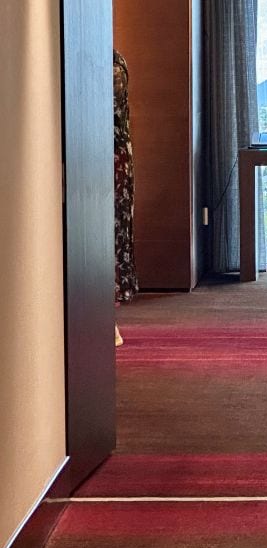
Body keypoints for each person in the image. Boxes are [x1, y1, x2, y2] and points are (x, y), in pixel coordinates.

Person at [114, 49, 137, 345]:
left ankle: (105, 318)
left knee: (109, 235)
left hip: (110, 157)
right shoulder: (116, 60)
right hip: (115, 156)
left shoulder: (112, 65)